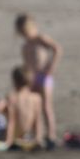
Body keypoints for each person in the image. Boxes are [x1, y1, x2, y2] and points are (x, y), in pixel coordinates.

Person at [15, 14, 63, 143]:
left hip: (43, 76)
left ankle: (51, 135)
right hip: (31, 78)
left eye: (25, 30)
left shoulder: (40, 39)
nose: (24, 34)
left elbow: (57, 49)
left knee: (46, 106)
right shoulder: (26, 45)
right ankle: (37, 135)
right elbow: (26, 64)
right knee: (34, 107)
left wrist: (51, 67)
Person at [3, 66, 47, 149]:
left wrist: (8, 141)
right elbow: (38, 121)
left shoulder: (12, 97)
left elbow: (11, 121)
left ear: (14, 81)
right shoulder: (36, 98)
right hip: (28, 136)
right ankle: (35, 139)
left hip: (15, 138)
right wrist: (38, 138)